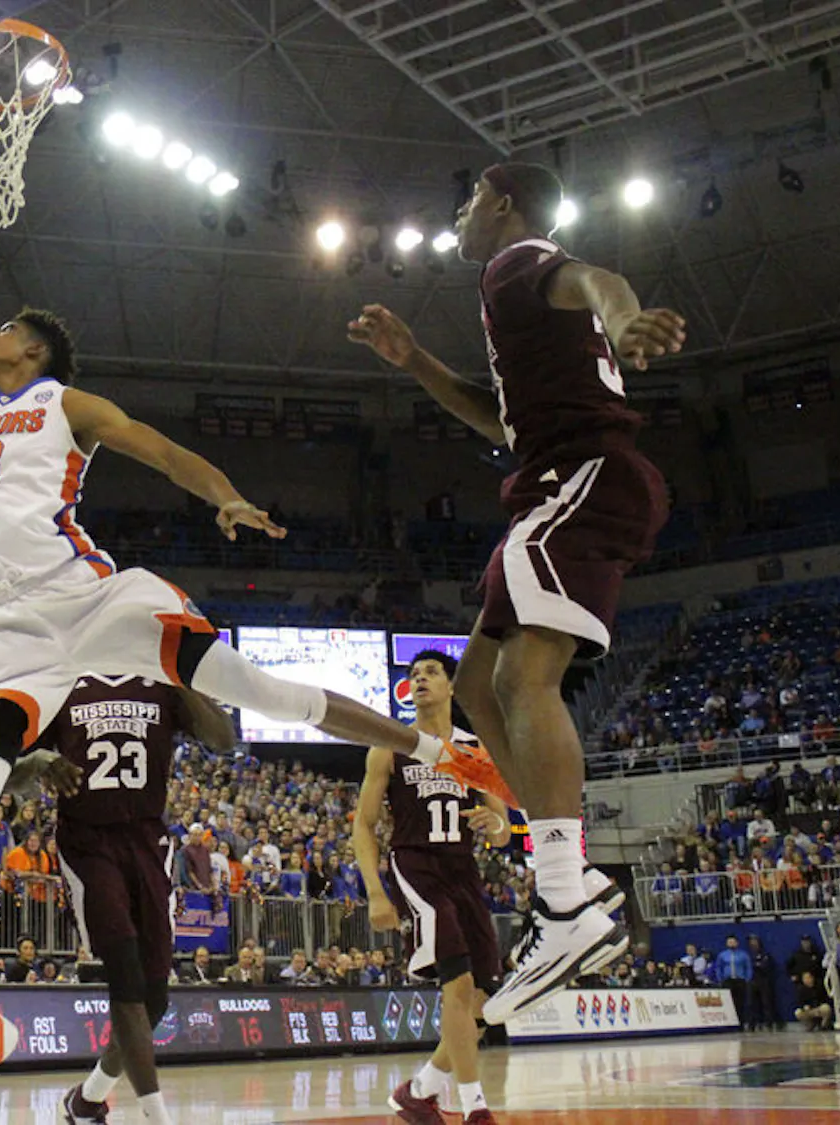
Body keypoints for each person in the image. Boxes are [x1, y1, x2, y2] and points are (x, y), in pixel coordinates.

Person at [0, 143, 452, 1117]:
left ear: (34, 356)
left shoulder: (66, 407)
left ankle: (426, 744)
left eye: (5, 328)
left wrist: (226, 497)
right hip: (11, 637)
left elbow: (162, 450)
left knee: (258, 690)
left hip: (101, 603)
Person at [347, 161, 684, 1023]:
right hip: (554, 478)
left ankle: (564, 896)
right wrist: (415, 357)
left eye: (466, 201)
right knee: (474, 682)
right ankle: (565, 883)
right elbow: (501, 419)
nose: (459, 215)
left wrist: (625, 313)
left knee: (523, 681)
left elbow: (593, 279)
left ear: (501, 203)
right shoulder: (513, 306)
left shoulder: (517, 260)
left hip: (578, 480)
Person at [35, 672, 233, 1125]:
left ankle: (87, 1100)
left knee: (155, 997)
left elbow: (224, 738)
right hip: (88, 839)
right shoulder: (64, 679)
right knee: (124, 973)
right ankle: (157, 1116)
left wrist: (179, 675)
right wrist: (44, 758)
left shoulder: (160, 684)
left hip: (148, 839)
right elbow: (19, 745)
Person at [355, 651, 513, 1125]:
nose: (420, 679)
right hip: (415, 863)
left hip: (462, 868)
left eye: (430, 673)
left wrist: (495, 823)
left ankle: (419, 1090)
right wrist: (376, 892)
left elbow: (504, 828)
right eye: (413, 675)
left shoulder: (472, 748)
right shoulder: (390, 744)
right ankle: (473, 1109)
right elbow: (363, 826)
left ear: (451, 687)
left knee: (483, 1005)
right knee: (458, 982)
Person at [715, 935, 753, 1028]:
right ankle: (730, 1023)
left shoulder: (743, 955)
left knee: (740, 1003)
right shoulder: (722, 955)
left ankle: (741, 1023)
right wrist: (720, 979)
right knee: (729, 1003)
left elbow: (748, 967)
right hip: (728, 981)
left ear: (737, 943)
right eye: (729, 942)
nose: (731, 943)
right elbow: (719, 967)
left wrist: (747, 979)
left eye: (733, 942)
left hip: (740, 980)